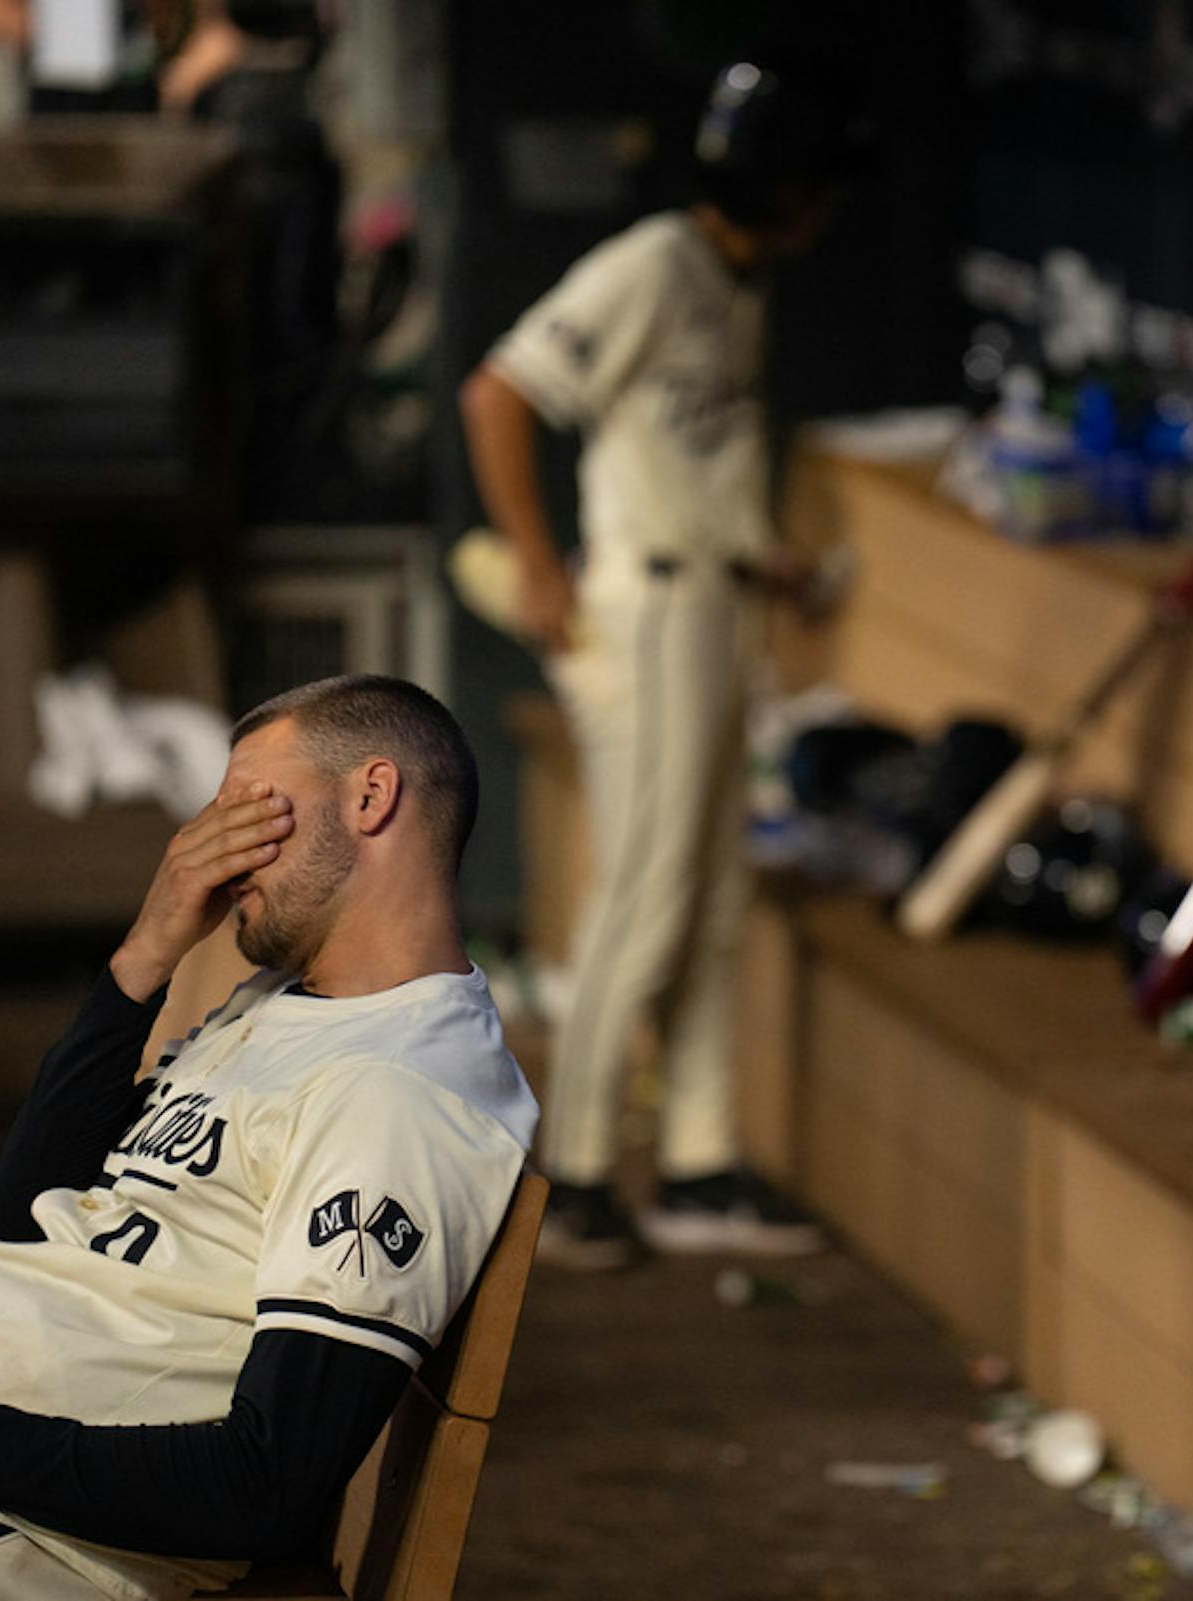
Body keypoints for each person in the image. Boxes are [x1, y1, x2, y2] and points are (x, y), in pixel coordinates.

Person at [0, 674, 537, 1599]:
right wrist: (142, 959)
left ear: (370, 797)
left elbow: (267, 1484)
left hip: (29, 1530)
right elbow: (21, 1234)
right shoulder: (283, 1009)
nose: (210, 849)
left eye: (250, 809)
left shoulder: (398, 1091)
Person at [459, 61, 861, 1268]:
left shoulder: (740, 281)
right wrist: (537, 561)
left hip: (716, 597)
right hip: (647, 613)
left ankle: (698, 1159)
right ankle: (573, 1173)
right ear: (787, 189)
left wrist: (763, 553)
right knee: (646, 894)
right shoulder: (651, 263)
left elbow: (687, 454)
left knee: (715, 903)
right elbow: (497, 393)